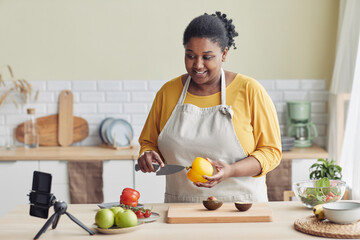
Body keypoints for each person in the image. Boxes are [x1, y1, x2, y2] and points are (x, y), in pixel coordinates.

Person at [137, 11, 281, 203]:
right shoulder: (168, 92)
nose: (197, 65)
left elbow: (271, 151)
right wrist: (147, 155)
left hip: (241, 206)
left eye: (207, 57)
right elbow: (148, 142)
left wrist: (231, 171)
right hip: (181, 206)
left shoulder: (249, 90)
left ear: (224, 54)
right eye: (190, 56)